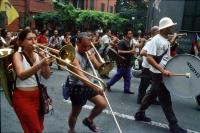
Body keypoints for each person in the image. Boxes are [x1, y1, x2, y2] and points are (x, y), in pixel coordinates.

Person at [134, 17, 187, 133]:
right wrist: (163, 71)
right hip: (158, 74)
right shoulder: (156, 40)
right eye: (171, 26)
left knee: (151, 94)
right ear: (166, 28)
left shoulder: (165, 40)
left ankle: (139, 113)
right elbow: (149, 57)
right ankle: (173, 125)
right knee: (165, 99)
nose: (173, 28)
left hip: (160, 72)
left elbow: (164, 58)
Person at [12, 29, 53, 133]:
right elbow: (21, 75)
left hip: (38, 96)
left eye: (35, 38)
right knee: (35, 130)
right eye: (30, 39)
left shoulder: (38, 54)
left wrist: (45, 62)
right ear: (21, 42)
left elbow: (47, 76)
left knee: (35, 128)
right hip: (22, 98)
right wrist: (39, 64)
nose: (34, 41)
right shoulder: (18, 55)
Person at [66, 32, 107, 133]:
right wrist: (96, 87)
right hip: (77, 87)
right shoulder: (72, 55)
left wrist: (93, 60)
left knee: (102, 104)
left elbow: (100, 69)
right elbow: (81, 76)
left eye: (88, 46)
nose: (86, 48)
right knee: (75, 113)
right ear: (77, 43)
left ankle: (88, 120)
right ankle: (71, 130)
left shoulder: (89, 51)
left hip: (90, 84)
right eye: (84, 46)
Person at [106, 29, 135, 94]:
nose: (131, 35)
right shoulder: (122, 41)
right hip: (122, 62)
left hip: (127, 61)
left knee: (128, 76)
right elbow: (119, 51)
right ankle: (108, 84)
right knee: (119, 75)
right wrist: (130, 51)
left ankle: (126, 89)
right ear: (126, 35)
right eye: (130, 33)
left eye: (131, 33)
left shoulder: (130, 41)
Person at [136, 26, 160, 104]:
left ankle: (151, 99)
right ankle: (140, 99)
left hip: (153, 67)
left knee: (155, 85)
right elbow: (142, 52)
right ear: (155, 32)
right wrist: (153, 57)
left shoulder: (157, 41)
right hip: (147, 67)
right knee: (144, 84)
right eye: (159, 31)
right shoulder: (151, 41)